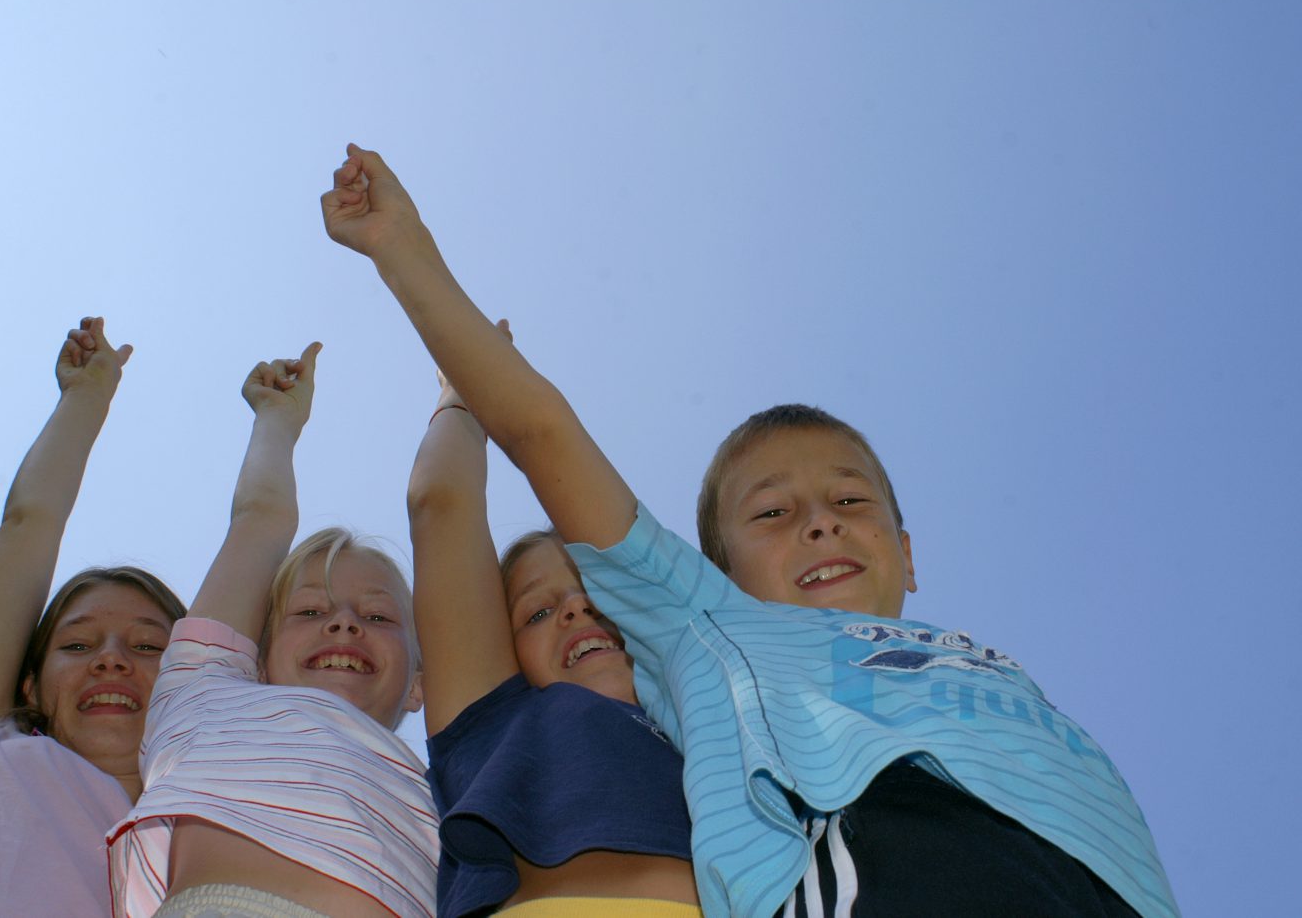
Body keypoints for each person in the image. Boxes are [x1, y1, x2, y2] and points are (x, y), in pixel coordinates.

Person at [321, 146, 1180, 918]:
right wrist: (406, 253)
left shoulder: (987, 657)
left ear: (908, 552)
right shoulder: (713, 627)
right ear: (716, 566)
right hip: (898, 857)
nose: (819, 522)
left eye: (851, 501)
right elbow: (541, 434)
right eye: (773, 511)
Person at [108, 343, 439, 918]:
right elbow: (260, 520)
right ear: (254, 660)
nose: (343, 622)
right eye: (310, 612)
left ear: (419, 682)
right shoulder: (206, 693)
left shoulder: (449, 791)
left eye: (379, 617)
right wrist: (276, 421)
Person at [0, 317, 187, 916]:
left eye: (147, 647)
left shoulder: (204, 846)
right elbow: (28, 524)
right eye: (78, 647)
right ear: (29, 683)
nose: (110, 657)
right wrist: (86, 398)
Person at [407, 344, 698, 917]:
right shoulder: (494, 721)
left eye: (601, 594)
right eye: (537, 612)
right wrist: (462, 389)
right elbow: (439, 504)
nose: (575, 610)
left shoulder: (716, 717)